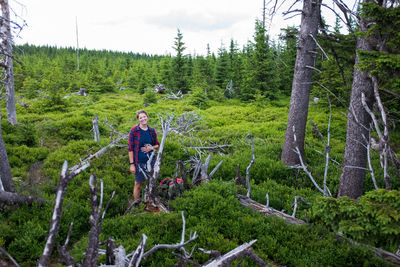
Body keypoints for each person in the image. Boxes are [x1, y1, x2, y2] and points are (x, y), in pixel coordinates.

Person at [128, 110, 159, 206]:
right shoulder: (134, 131)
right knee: (138, 184)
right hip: (138, 162)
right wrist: (132, 164)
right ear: (138, 119)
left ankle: (149, 200)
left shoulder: (152, 131)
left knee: (151, 182)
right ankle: (137, 203)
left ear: (147, 117)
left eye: (144, 116)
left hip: (151, 161)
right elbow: (130, 149)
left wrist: (151, 148)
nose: (143, 119)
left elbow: (157, 144)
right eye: (140, 117)